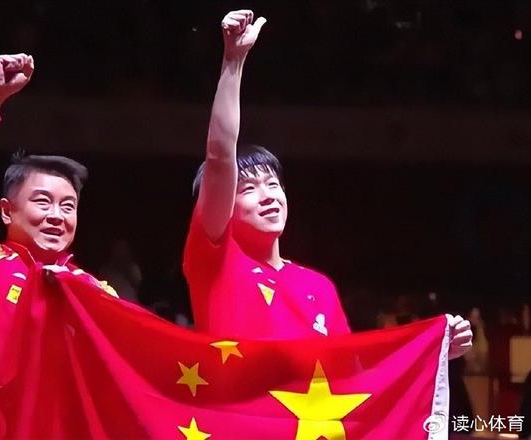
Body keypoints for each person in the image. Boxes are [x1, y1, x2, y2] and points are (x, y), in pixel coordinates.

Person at [183, 10, 473, 359]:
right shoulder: (214, 263)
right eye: (248, 189)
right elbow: (219, 157)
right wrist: (233, 63)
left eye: (273, 184)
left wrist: (432, 354)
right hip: (236, 400)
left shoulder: (318, 287)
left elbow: (353, 377)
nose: (268, 196)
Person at [0, 53, 117, 439]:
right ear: (6, 211)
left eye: (68, 206)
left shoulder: (96, 293)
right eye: (42, 202)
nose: (57, 216)